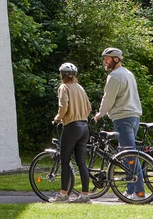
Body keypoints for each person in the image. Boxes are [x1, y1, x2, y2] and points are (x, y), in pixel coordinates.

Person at [94, 47, 145, 199]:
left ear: (116, 59)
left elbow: (108, 98)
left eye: (107, 58)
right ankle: (129, 191)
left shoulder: (114, 76)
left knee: (130, 155)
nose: (105, 61)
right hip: (134, 116)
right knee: (126, 155)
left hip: (123, 118)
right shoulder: (128, 73)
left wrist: (100, 114)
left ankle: (140, 193)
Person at [49, 62, 92, 203]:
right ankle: (85, 195)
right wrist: (80, 115)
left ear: (62, 75)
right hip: (84, 126)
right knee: (82, 163)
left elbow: (63, 107)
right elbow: (89, 107)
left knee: (65, 161)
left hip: (72, 127)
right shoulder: (80, 87)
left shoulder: (64, 87)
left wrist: (57, 119)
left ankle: (63, 195)